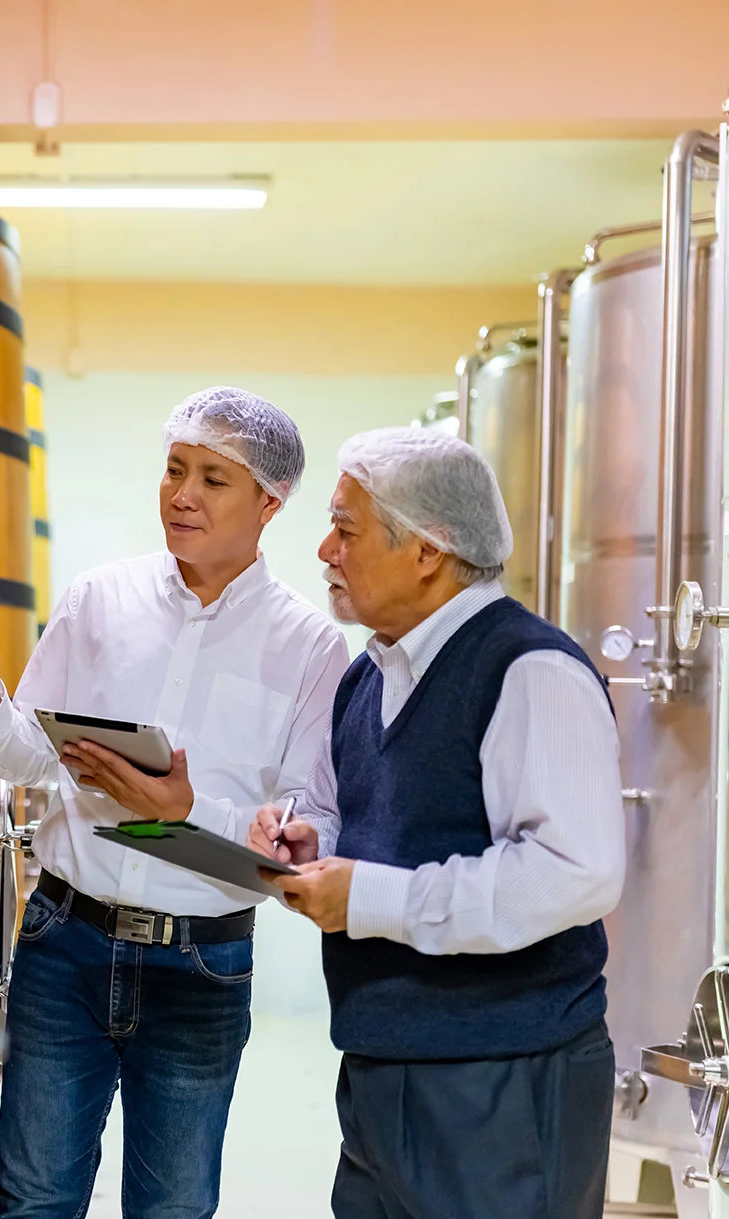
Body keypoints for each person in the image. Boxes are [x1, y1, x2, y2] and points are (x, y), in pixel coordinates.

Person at [0, 388, 350, 1219]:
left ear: (269, 504)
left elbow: (311, 822)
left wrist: (190, 809)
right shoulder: (98, 599)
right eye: (175, 469)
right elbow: (39, 759)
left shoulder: (310, 646)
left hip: (202, 967)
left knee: (171, 1209)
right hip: (63, 942)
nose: (182, 493)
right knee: (32, 1200)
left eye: (213, 478)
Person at [248, 427, 624, 1219]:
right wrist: (315, 841)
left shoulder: (530, 670)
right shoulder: (366, 677)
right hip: (382, 1067)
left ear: (426, 550)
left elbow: (573, 871)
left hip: (503, 1080)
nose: (322, 549)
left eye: (344, 529)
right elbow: (381, 824)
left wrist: (368, 897)